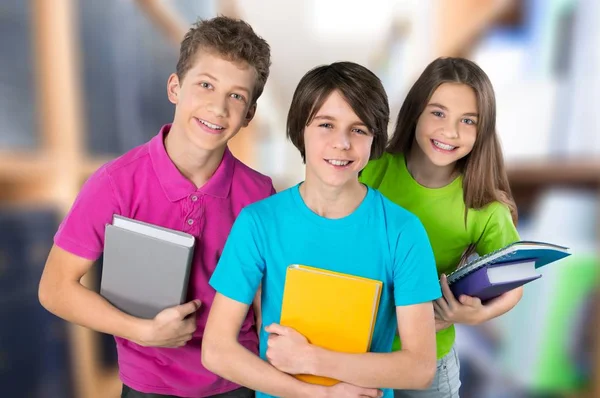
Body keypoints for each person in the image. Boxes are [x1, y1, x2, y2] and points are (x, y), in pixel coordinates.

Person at [38, 16, 274, 398]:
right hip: (148, 385)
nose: (217, 107)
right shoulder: (115, 183)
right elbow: (55, 288)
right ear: (175, 87)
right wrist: (144, 332)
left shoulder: (260, 192)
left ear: (248, 116)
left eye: (236, 96)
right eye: (205, 85)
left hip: (237, 380)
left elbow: (266, 301)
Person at [202, 61, 441, 398]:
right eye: (326, 124)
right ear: (301, 129)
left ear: (374, 140)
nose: (341, 142)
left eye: (358, 129)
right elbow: (216, 350)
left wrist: (312, 359)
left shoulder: (404, 232)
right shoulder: (258, 222)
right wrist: (321, 394)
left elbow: (420, 368)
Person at [360, 56, 522, 397]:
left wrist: (475, 316)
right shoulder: (371, 169)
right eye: (438, 113)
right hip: (360, 346)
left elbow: (513, 283)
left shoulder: (485, 207)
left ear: (483, 130)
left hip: (430, 357)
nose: (450, 131)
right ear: (415, 111)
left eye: (468, 121)